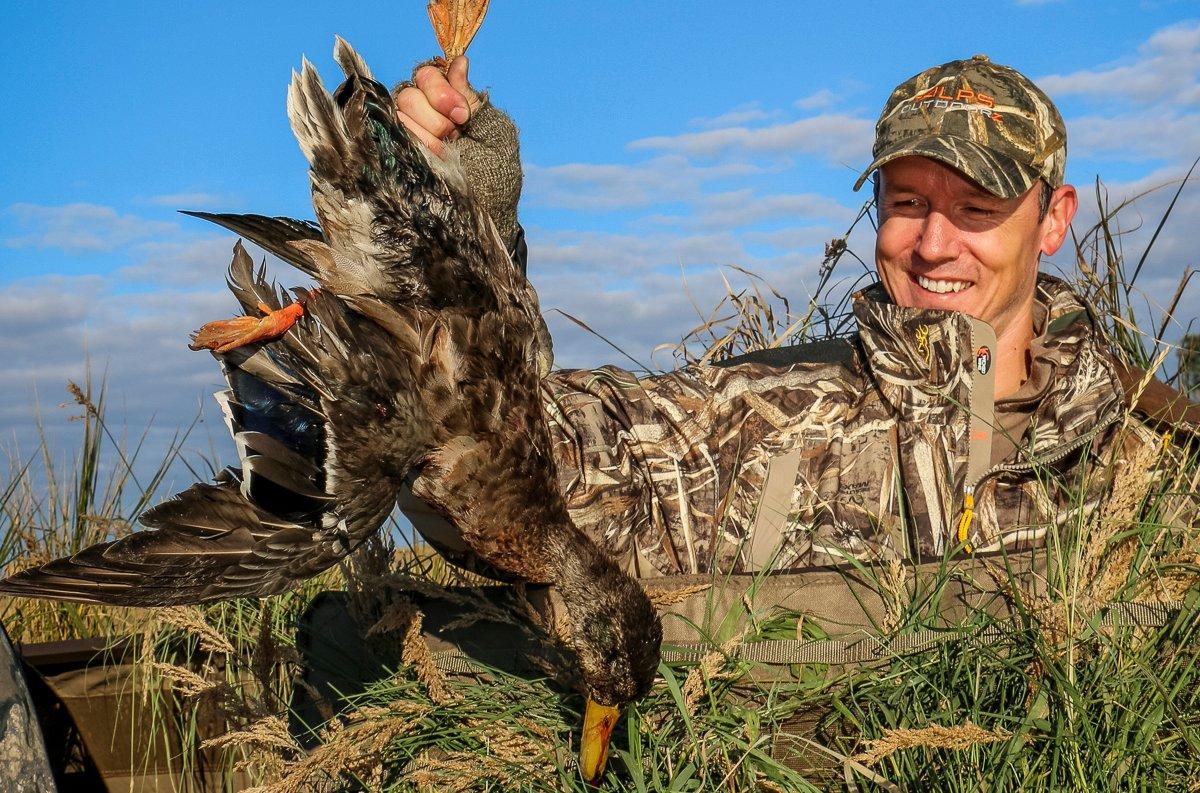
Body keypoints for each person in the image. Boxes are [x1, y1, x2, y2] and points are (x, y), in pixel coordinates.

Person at [394, 55, 1186, 578]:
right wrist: (457, 232)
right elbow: (510, 469)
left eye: (976, 208)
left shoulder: (1160, 462)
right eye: (906, 204)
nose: (934, 244)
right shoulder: (748, 418)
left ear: (1054, 220)